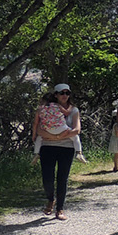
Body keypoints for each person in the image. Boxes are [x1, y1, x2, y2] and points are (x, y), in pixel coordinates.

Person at [36, 83, 81, 221]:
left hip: (66, 148)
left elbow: (77, 130)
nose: (65, 96)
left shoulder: (74, 111)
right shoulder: (47, 109)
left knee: (62, 178)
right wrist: (56, 137)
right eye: (62, 93)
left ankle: (60, 209)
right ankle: (51, 199)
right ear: (55, 94)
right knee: (47, 178)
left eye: (67, 93)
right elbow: (38, 129)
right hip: (48, 147)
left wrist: (57, 136)